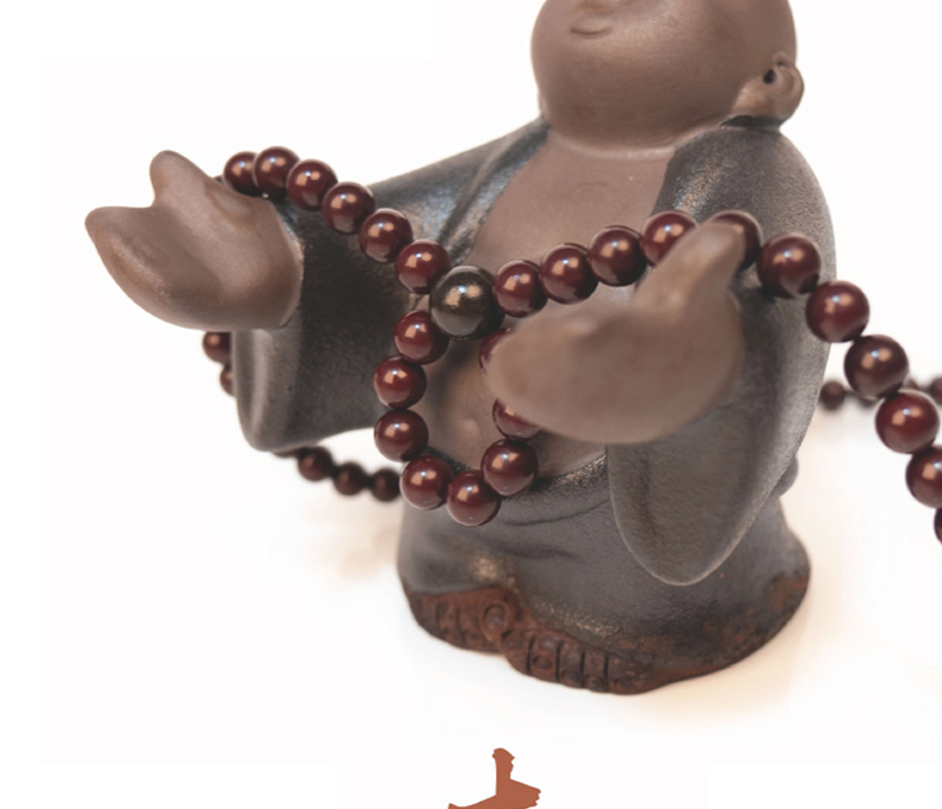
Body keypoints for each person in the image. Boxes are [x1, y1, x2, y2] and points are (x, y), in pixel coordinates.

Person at [86, 0, 833, 694]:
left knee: (636, 589)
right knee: (448, 549)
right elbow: (383, 250)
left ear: (768, 83)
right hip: (448, 507)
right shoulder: (514, 159)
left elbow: (759, 314)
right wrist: (284, 265)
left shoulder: (750, 190)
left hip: (620, 541)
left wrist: (683, 361)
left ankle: (632, 618)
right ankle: (461, 573)